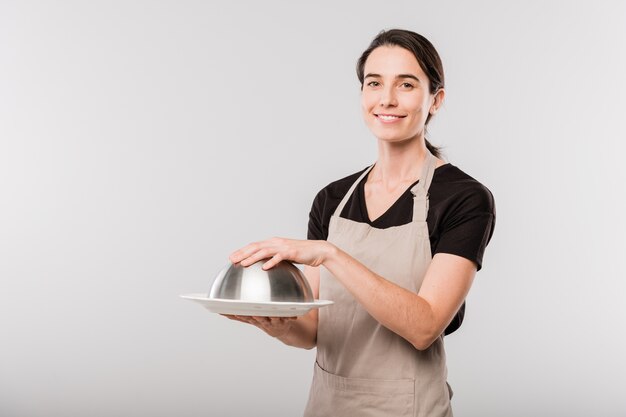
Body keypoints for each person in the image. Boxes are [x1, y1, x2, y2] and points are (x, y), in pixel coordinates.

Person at [226, 28, 496, 417]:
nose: (387, 99)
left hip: (410, 407)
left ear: (435, 99)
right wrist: (276, 324)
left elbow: (425, 327)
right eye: (374, 83)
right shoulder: (332, 200)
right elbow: (314, 330)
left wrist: (329, 254)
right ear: (362, 95)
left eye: (406, 84)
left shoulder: (464, 198)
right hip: (329, 403)